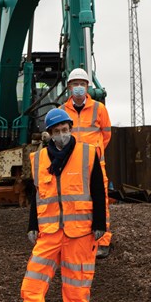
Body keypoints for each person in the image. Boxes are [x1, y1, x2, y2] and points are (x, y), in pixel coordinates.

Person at [13, 108, 106, 302]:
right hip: (49, 230)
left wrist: (100, 224)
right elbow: (38, 196)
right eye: (57, 131)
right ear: (50, 134)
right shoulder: (40, 159)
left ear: (70, 129)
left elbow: (98, 190)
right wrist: (32, 225)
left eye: (65, 130)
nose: (62, 134)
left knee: (77, 277)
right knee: (35, 274)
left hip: (80, 230)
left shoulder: (87, 153)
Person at [60, 68, 113, 259]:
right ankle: (76, 238)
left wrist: (95, 153)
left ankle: (103, 242)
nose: (79, 88)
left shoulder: (99, 109)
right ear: (69, 87)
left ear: (88, 87)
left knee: (100, 201)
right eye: (75, 84)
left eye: (82, 84)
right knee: (73, 203)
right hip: (72, 165)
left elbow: (106, 135)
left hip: (95, 164)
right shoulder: (61, 111)